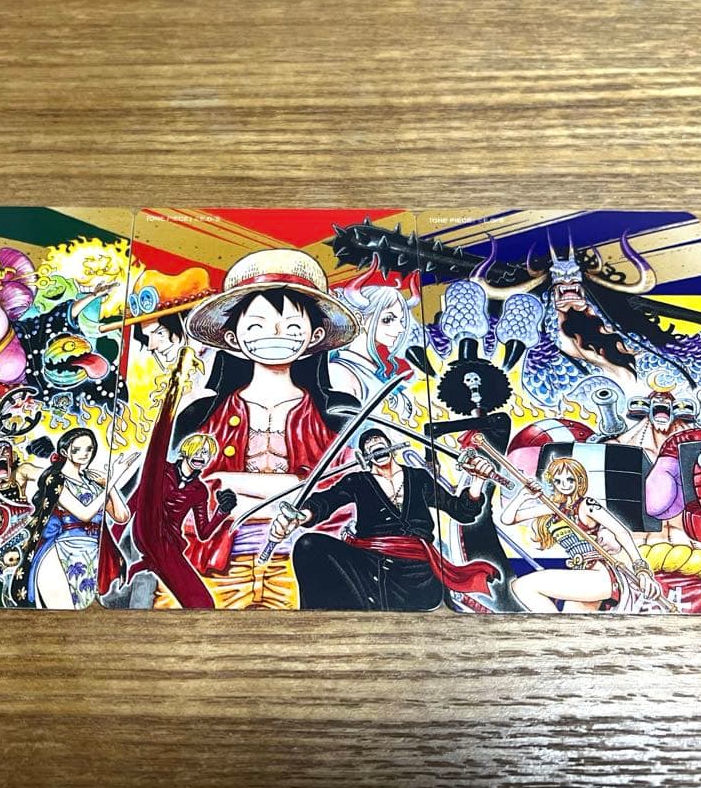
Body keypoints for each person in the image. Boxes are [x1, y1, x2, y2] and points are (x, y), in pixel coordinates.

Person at [174, 248, 358, 608]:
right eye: (257, 326)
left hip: (303, 562)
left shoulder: (335, 417)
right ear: (233, 338)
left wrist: (233, 484)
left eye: (292, 327)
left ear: (314, 337)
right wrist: (290, 488)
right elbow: (193, 490)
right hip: (218, 561)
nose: (276, 335)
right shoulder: (202, 416)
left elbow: (341, 491)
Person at [269, 428, 501, 610]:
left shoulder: (418, 477)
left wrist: (477, 480)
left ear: (391, 447)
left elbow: (461, 511)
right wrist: (300, 517)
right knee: (309, 544)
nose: (374, 446)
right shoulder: (358, 481)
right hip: (370, 562)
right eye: (369, 447)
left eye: (379, 443)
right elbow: (326, 502)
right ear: (364, 457)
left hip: (418, 569)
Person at [499, 456, 660, 612]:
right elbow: (507, 519)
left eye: (570, 479)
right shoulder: (554, 508)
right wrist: (522, 497)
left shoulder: (587, 505)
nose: (564, 485)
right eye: (558, 481)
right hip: (581, 575)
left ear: (579, 480)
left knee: (522, 585)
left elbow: (621, 532)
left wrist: (642, 570)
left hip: (598, 576)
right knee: (572, 624)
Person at [16, 428, 135, 609]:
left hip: (94, 550)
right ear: (65, 451)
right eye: (77, 449)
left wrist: (109, 485)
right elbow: (84, 514)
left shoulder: (92, 482)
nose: (84, 454)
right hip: (65, 550)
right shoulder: (56, 480)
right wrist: (113, 479)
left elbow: (121, 516)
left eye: (89, 449)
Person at [127, 433, 237, 608]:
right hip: (146, 530)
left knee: (203, 603)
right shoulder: (161, 471)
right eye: (197, 451)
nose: (201, 456)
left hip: (170, 544)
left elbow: (204, 532)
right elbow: (134, 502)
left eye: (206, 454)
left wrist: (223, 510)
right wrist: (116, 538)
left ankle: (143, 568)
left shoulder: (199, 490)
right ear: (186, 451)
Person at [331, 265, 420, 422]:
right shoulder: (339, 372)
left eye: (401, 320)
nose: (400, 329)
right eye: (388, 319)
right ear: (360, 318)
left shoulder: (377, 371)